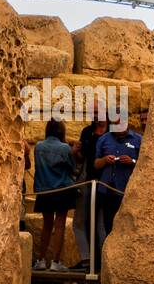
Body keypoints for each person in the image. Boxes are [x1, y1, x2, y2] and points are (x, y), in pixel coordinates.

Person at [31, 119, 78, 271]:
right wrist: (74, 153)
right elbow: (72, 168)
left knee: (47, 225)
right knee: (59, 225)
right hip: (62, 190)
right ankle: (56, 262)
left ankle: (41, 260)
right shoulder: (65, 148)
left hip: (45, 190)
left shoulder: (38, 147)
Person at [71, 107, 109, 272]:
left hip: (107, 183)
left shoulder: (112, 131)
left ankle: (103, 263)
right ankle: (89, 261)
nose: (94, 115)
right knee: (84, 221)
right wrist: (76, 152)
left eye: (97, 111)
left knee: (102, 223)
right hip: (88, 181)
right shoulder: (87, 131)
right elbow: (82, 159)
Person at [94, 110, 142, 235]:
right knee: (108, 225)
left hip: (129, 191)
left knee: (129, 228)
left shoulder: (138, 140)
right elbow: (96, 164)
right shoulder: (104, 139)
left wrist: (132, 161)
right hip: (107, 189)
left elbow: (146, 166)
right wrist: (104, 160)